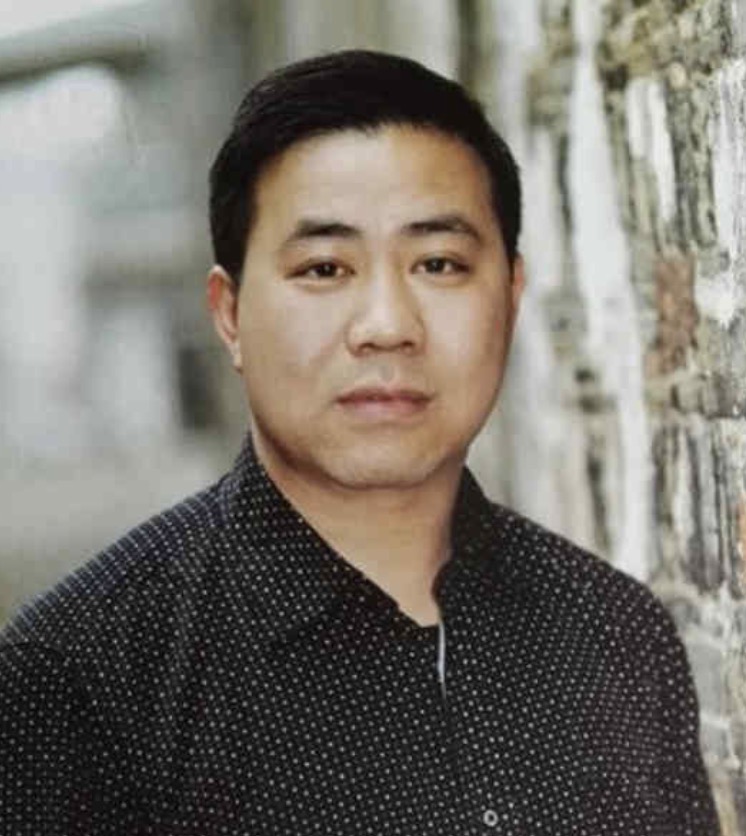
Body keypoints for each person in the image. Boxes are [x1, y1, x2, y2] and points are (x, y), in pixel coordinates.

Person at [0, 50, 719, 836]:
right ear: (230, 314)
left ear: (511, 298)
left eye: (438, 263)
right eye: (324, 268)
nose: (386, 325)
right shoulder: (77, 678)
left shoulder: (618, 634)